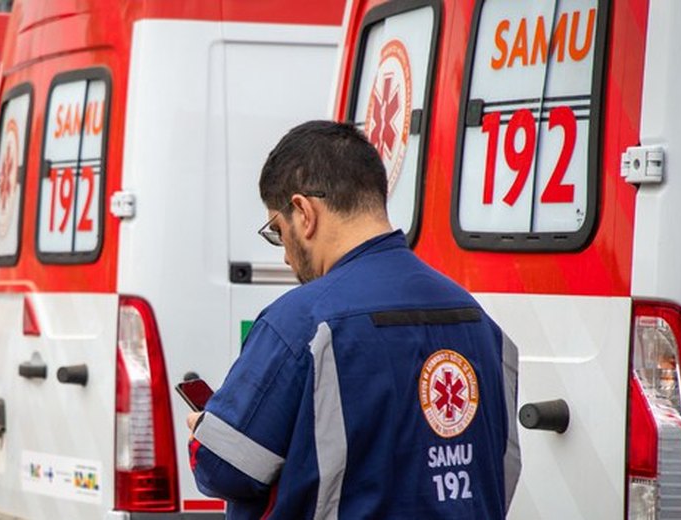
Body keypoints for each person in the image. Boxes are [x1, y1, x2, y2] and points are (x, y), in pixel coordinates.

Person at [186, 120, 520, 519]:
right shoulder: (479, 322)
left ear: (304, 213)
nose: (285, 257)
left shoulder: (300, 322)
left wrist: (204, 433)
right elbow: (501, 468)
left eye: (278, 231)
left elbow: (225, 468)